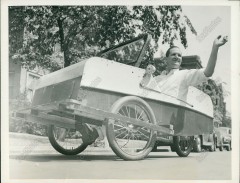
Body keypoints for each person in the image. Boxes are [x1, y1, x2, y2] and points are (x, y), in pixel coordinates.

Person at [80, 35, 228, 145]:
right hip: (151, 110)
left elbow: (208, 72)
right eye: (173, 55)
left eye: (179, 55)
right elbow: (146, 88)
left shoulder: (185, 75)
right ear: (166, 59)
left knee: (128, 106)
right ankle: (94, 126)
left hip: (169, 114)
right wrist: (147, 74)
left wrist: (215, 47)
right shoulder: (159, 78)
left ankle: (97, 132)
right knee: (122, 101)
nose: (177, 57)